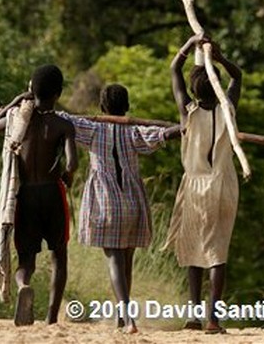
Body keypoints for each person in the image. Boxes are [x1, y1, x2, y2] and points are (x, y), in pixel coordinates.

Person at [67, 84, 181, 333]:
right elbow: (165, 135)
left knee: (115, 260)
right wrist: (188, 124)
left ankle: (127, 318)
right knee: (126, 258)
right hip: (132, 201)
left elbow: (64, 121)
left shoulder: (93, 129)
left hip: (107, 202)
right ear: (127, 108)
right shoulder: (134, 132)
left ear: (102, 108)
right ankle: (122, 316)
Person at [164, 34, 243, 334]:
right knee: (217, 253)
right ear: (218, 86)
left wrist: (188, 45)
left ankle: (194, 316)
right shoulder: (229, 109)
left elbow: (174, 70)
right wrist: (219, 57)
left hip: (195, 188)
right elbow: (238, 76)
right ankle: (213, 319)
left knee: (194, 251)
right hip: (224, 185)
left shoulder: (187, 113)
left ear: (194, 90)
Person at [0, 64, 77, 326]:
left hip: (24, 194)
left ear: (31, 89)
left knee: (26, 256)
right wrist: (67, 178)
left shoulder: (17, 120)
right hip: (52, 193)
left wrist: (16, 100)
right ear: (58, 93)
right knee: (59, 254)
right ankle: (51, 317)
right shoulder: (63, 124)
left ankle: (23, 284)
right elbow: (71, 164)